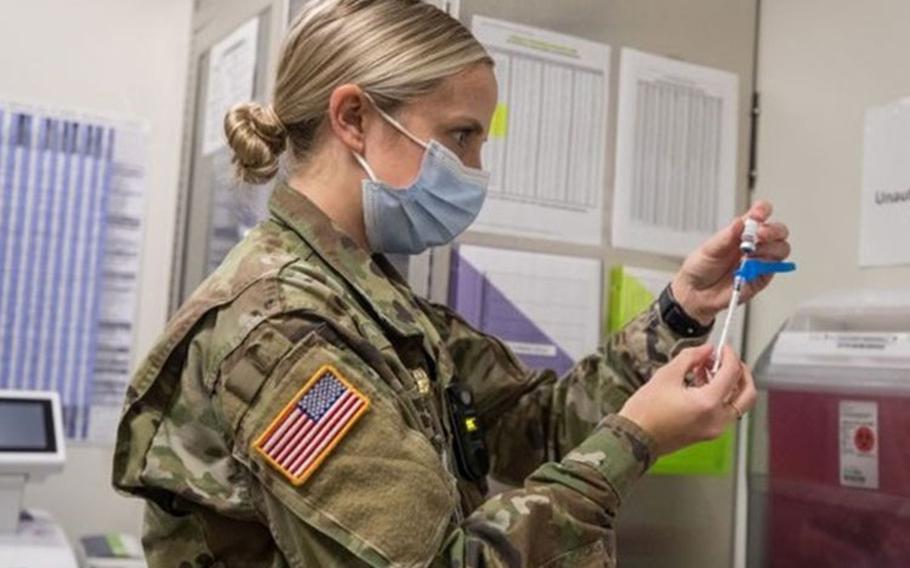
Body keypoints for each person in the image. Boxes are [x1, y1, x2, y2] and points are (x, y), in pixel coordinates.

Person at [112, 1, 791, 566]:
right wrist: (636, 440)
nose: (475, 168)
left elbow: (539, 430)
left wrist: (680, 311)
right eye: (461, 136)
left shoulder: (372, 302)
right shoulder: (282, 333)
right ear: (353, 119)